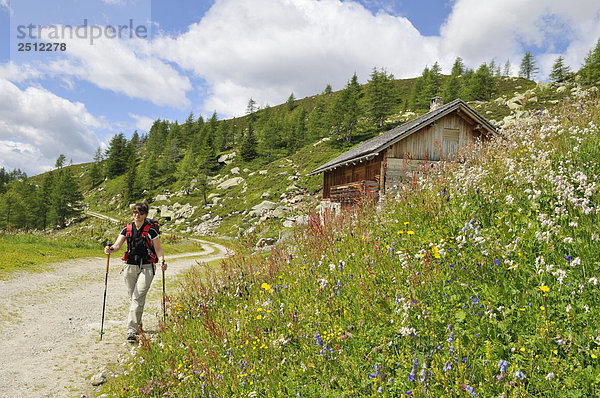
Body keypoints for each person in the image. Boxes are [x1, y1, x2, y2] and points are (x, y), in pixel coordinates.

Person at [104, 201, 167, 341]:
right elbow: (117, 245)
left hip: (147, 267)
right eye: (135, 212)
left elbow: (158, 249)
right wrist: (110, 249)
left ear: (145, 215)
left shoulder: (151, 231)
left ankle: (132, 331)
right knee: (133, 297)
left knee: (137, 297)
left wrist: (162, 260)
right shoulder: (127, 229)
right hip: (129, 266)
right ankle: (138, 325)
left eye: (140, 213)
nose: (136, 215)